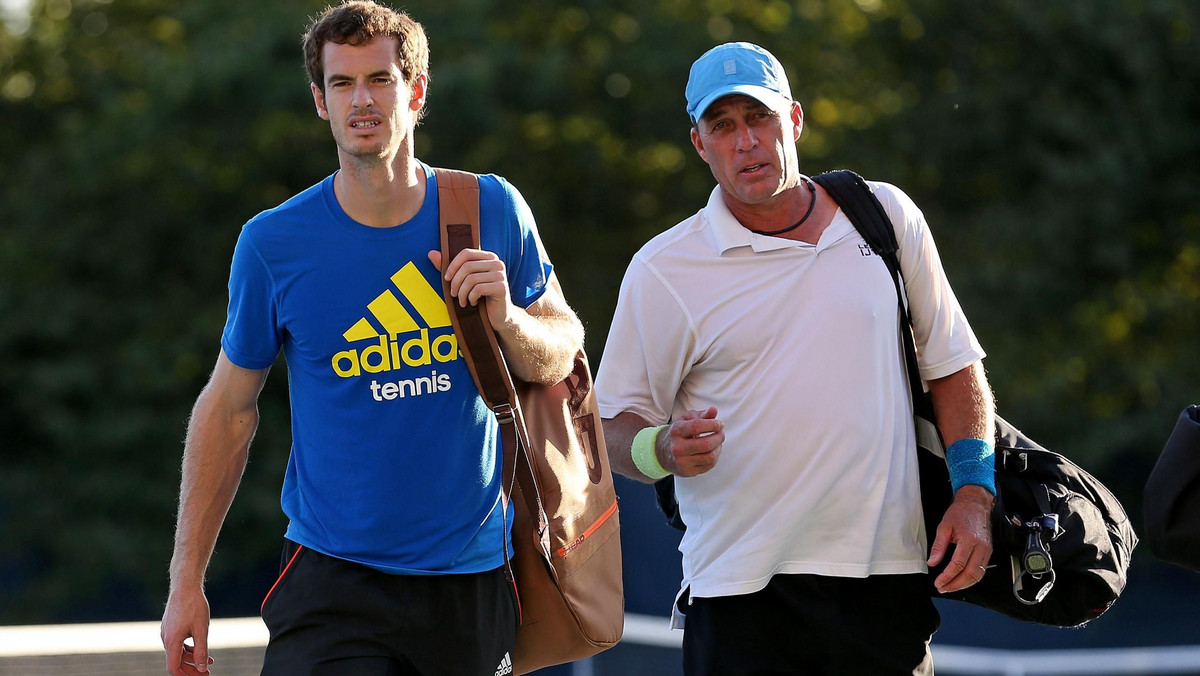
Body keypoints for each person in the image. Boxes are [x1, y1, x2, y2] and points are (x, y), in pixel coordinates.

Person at [159, 2, 584, 675]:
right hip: (335, 581)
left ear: (415, 93)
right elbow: (228, 409)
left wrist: (506, 317)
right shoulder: (274, 243)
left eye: (380, 80)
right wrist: (186, 582)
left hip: (472, 578)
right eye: (342, 83)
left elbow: (561, 350)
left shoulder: (488, 208)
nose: (362, 100)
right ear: (320, 103)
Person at [596, 42, 996, 675]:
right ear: (699, 145)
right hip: (741, 595)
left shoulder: (885, 217)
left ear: (796, 120)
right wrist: (662, 451)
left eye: (759, 118)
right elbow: (610, 427)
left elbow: (952, 365)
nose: (746, 141)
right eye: (722, 126)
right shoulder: (663, 269)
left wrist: (974, 493)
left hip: (887, 582)